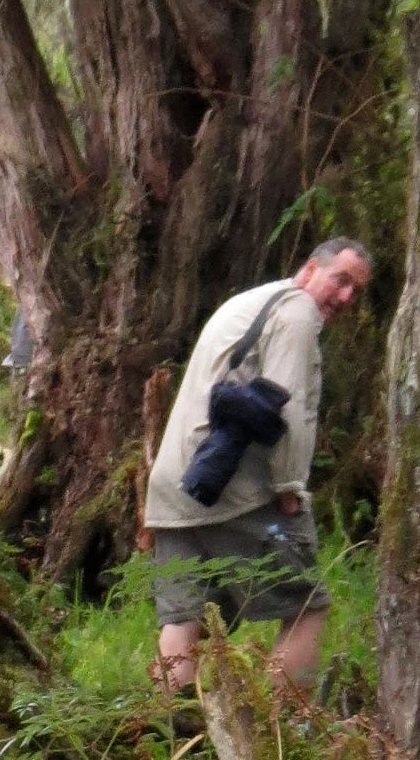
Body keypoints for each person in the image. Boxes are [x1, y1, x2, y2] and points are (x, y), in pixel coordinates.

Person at [143, 237, 373, 694]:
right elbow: (287, 405)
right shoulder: (297, 311)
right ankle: (283, 741)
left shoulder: (249, 302)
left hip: (176, 486)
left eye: (357, 291)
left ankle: (167, 741)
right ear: (310, 269)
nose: (346, 297)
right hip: (234, 488)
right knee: (307, 605)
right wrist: (289, 487)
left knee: (187, 619)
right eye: (340, 280)